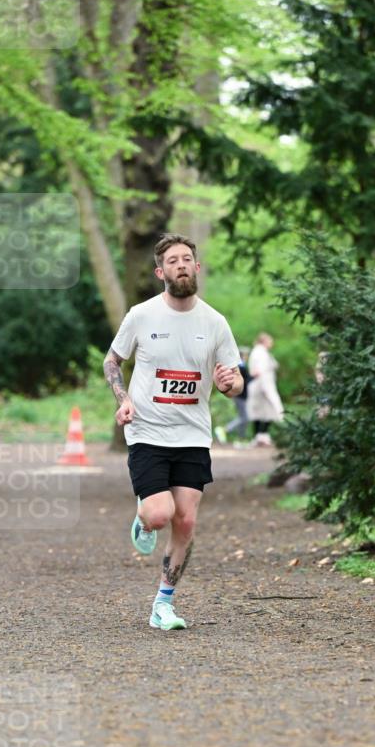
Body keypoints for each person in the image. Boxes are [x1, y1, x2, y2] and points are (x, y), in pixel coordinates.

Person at [103, 233, 243, 631]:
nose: (180, 265)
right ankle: (145, 517)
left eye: (186, 259)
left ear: (196, 267)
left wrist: (229, 383)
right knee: (160, 514)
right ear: (160, 272)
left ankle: (163, 604)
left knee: (186, 522)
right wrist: (122, 399)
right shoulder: (141, 315)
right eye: (172, 260)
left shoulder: (215, 323)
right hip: (147, 431)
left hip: (193, 435)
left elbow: (235, 382)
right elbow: (112, 361)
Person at [246, 332, 284, 446]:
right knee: (263, 411)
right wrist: (267, 390)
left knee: (265, 412)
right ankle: (259, 436)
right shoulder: (260, 353)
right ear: (264, 341)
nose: (271, 343)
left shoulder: (262, 352)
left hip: (263, 386)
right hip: (262, 386)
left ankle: (262, 435)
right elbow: (260, 372)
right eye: (270, 341)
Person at [224, 346, 252, 441]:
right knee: (244, 417)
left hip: (241, 395)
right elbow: (245, 380)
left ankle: (241, 437)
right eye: (246, 355)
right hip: (240, 395)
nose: (247, 356)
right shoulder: (240, 367)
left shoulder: (241, 366)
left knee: (243, 417)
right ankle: (226, 429)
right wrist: (254, 377)